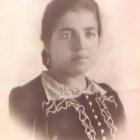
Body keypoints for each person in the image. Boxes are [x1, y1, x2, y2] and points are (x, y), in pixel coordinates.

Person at [9, 0, 126, 140]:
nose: (81, 45)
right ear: (47, 43)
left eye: (89, 34)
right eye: (67, 35)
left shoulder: (109, 97)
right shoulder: (26, 99)